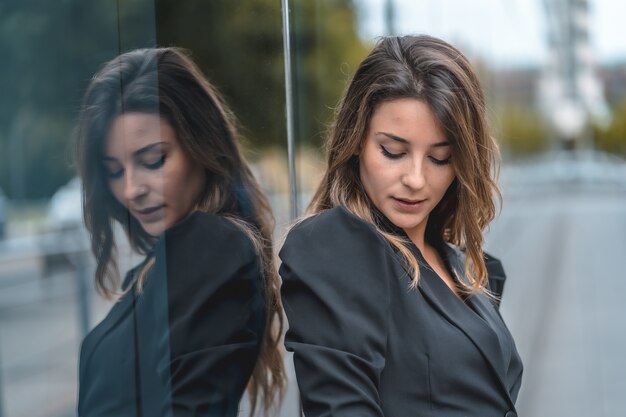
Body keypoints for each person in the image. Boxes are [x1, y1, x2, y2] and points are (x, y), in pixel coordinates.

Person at [279, 35, 523, 417]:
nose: (415, 179)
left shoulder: (468, 268)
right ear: (357, 138)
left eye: (440, 158)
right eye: (393, 151)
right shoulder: (332, 248)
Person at [75, 47, 285, 417]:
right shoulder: (171, 260)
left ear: (202, 146)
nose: (130, 189)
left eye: (152, 160)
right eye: (113, 170)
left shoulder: (212, 246)